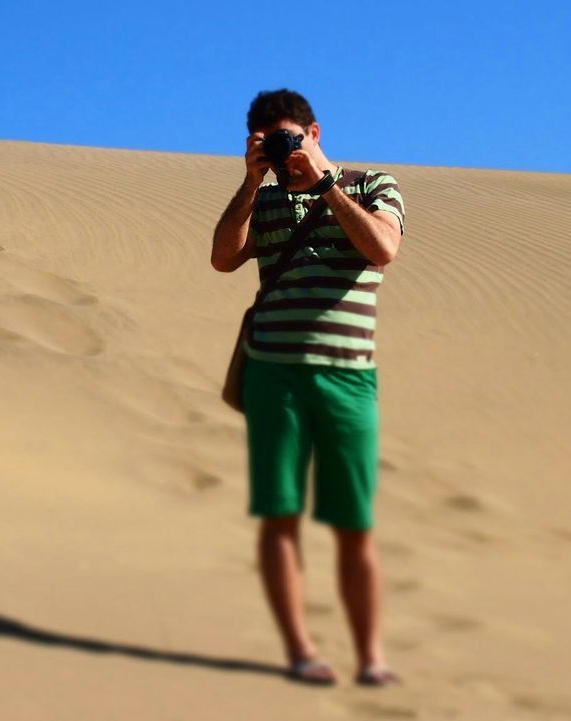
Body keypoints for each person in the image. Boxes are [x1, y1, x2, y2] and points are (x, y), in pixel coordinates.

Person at [210, 89, 407, 687]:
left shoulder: (374, 185)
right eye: (271, 142)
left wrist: (323, 185)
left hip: (349, 374)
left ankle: (371, 656)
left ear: (316, 132)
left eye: (292, 138)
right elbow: (222, 259)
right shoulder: (262, 202)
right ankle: (300, 650)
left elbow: (382, 249)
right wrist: (250, 184)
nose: (284, 150)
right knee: (280, 517)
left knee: (354, 524)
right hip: (274, 373)